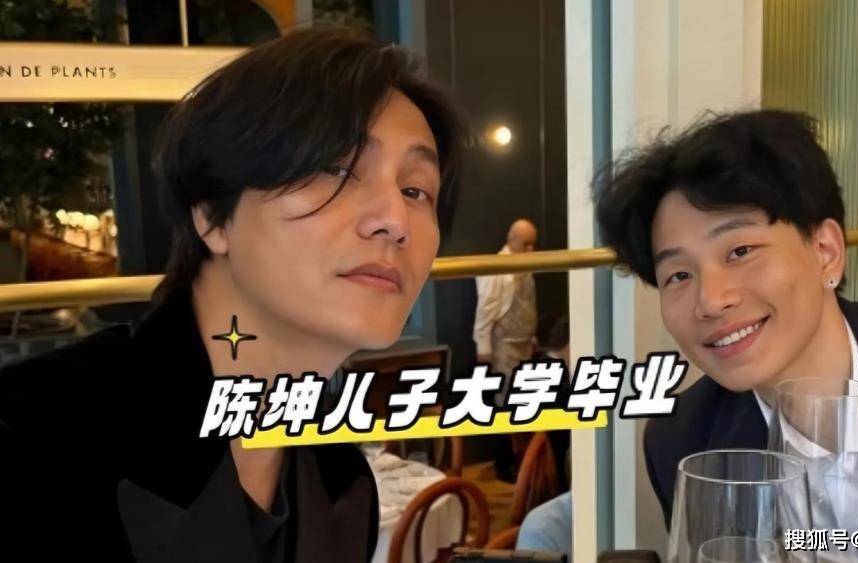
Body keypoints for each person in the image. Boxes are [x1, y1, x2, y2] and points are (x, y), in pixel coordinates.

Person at [0, 28, 463, 562]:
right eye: (336, 169)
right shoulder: (32, 436)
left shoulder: (343, 483)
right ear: (211, 213)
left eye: (415, 190)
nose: (395, 220)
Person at [594, 110, 858, 563]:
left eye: (740, 251)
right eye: (678, 275)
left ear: (825, 252)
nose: (710, 301)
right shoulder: (684, 441)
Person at [473, 218, 539, 379]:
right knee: (507, 389)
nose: (530, 249)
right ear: (512, 239)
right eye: (525, 244)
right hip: (504, 346)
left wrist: (531, 336)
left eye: (532, 244)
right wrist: (483, 348)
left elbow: (528, 303)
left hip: (525, 343)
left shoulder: (526, 265)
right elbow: (485, 308)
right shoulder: (497, 266)